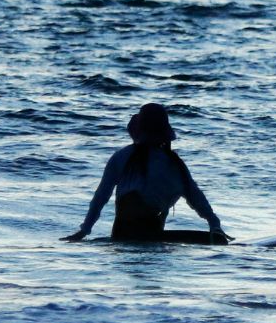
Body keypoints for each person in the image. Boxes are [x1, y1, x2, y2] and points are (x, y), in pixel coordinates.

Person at [63, 103, 229, 242]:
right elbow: (197, 199)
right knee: (218, 241)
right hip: (154, 239)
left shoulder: (122, 157)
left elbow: (101, 196)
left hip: (123, 236)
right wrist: (214, 225)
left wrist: (85, 230)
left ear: (138, 130)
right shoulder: (176, 165)